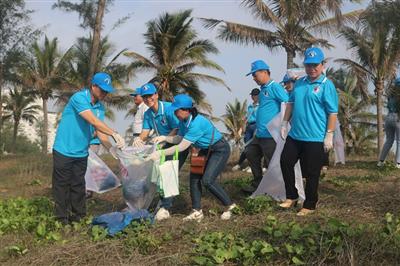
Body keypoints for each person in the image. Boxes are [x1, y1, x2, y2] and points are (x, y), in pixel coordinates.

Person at [148, 94, 236, 221]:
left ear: (186, 110)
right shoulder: (183, 121)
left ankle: (230, 206)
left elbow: (182, 146)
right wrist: (165, 138)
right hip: (205, 149)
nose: (175, 113)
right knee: (194, 178)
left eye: (177, 110)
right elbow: (179, 138)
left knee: (207, 181)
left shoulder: (197, 123)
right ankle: (197, 211)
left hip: (219, 149)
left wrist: (160, 153)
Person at [52, 72, 125, 224]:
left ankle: (78, 217)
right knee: (62, 185)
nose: (105, 93)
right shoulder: (79, 98)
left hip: (81, 152)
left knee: (78, 184)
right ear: (93, 86)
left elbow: (99, 132)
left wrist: (111, 148)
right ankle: (61, 219)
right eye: (102, 89)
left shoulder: (100, 107)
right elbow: (93, 121)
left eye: (107, 90)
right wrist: (114, 133)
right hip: (64, 149)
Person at [280, 47, 338, 216]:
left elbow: (332, 112)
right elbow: (290, 103)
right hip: (295, 134)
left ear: (322, 65)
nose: (312, 69)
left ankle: (310, 204)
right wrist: (284, 122)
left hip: (315, 137)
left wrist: (329, 134)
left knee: (312, 172)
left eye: (315, 65)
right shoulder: (299, 83)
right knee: (285, 161)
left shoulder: (327, 85)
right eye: (308, 65)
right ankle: (291, 196)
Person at [132, 83, 188, 221]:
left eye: (150, 95)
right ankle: (163, 202)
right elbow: (145, 132)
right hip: (162, 146)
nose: (148, 99)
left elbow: (177, 128)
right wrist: (138, 140)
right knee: (159, 174)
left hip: (177, 143)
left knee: (168, 173)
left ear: (156, 94)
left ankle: (166, 208)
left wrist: (165, 139)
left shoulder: (169, 109)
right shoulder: (148, 113)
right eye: (145, 97)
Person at [243, 60, 289, 192]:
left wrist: (283, 124)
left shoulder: (275, 87)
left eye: (255, 74)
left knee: (272, 163)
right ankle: (258, 183)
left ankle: (277, 189)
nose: (253, 78)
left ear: (264, 72)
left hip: (270, 134)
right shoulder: (263, 90)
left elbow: (287, 103)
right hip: (260, 133)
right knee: (250, 152)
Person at [232, 88, 260, 172]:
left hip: (256, 126)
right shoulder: (250, 106)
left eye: (254, 95)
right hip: (249, 127)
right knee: (247, 147)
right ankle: (239, 164)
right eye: (252, 95)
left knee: (255, 147)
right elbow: (247, 118)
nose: (253, 97)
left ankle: (252, 166)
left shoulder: (261, 106)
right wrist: (241, 129)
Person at [377, 77, 400, 168]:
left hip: (388, 117)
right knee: (399, 141)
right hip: (398, 118)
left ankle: (381, 161)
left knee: (389, 140)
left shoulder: (390, 95)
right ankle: (398, 163)